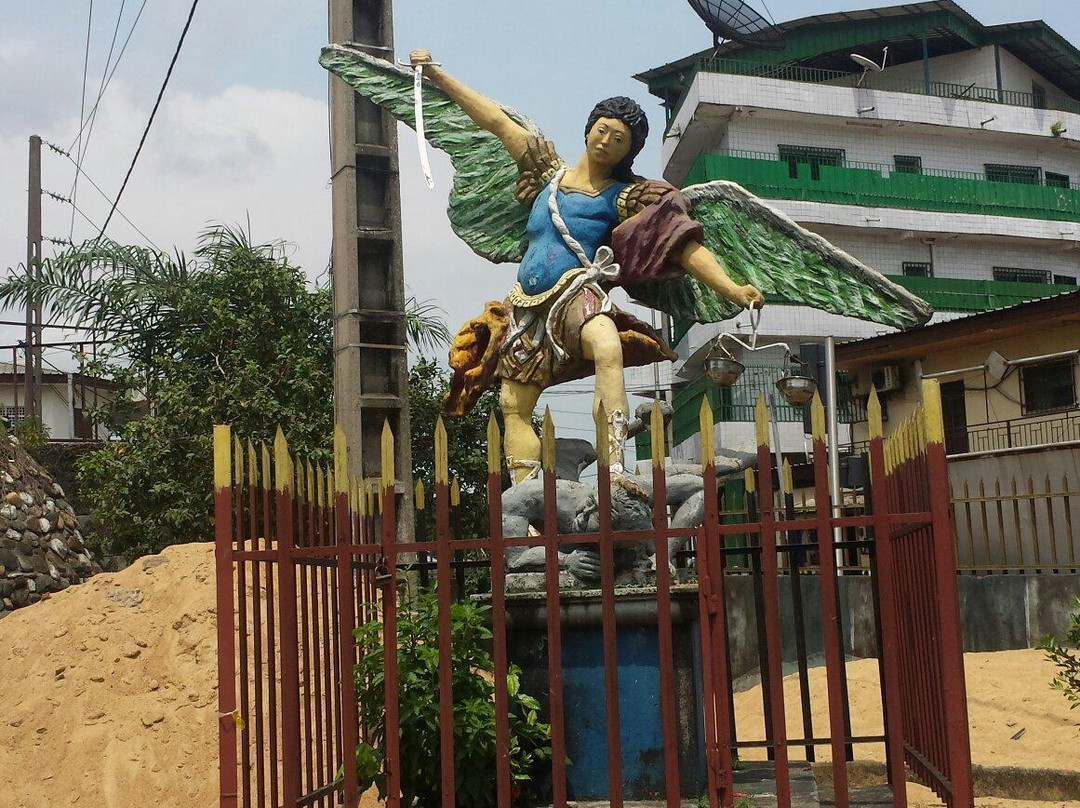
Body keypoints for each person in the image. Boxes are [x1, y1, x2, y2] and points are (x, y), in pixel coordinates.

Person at [411, 50, 764, 481]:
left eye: (619, 140)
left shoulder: (625, 197)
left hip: (579, 294)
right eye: (602, 131)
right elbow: (496, 121)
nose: (606, 142)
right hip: (525, 307)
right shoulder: (543, 172)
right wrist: (434, 74)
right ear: (589, 129)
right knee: (513, 403)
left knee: (607, 345)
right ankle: (526, 498)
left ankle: (614, 468)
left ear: (627, 151)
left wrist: (732, 289)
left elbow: (681, 244)